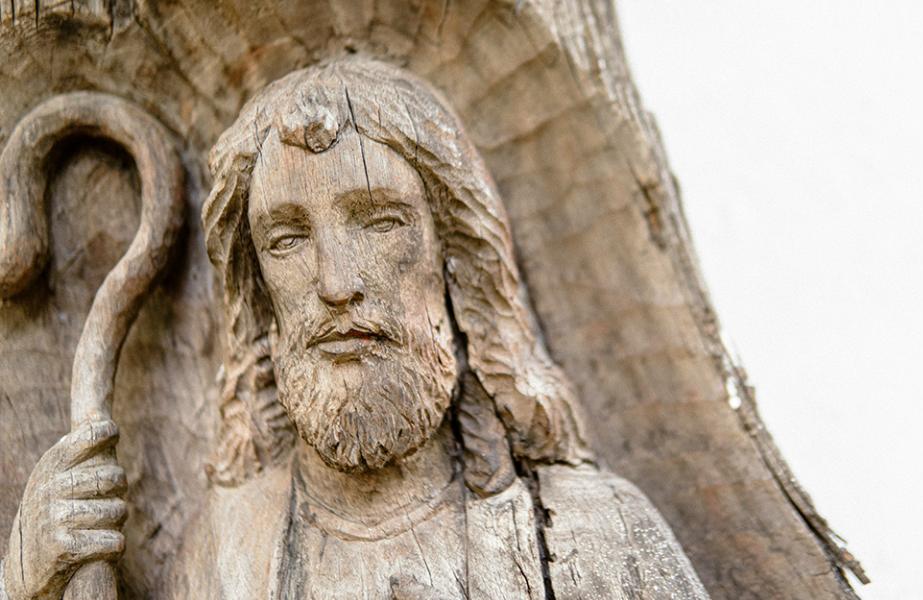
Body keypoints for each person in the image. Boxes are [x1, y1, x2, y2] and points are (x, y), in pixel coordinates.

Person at [2, 57, 708, 600]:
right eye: (286, 239)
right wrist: (31, 579)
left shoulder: (599, 537)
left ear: (455, 261)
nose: (337, 282)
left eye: (379, 222)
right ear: (258, 300)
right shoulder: (226, 554)